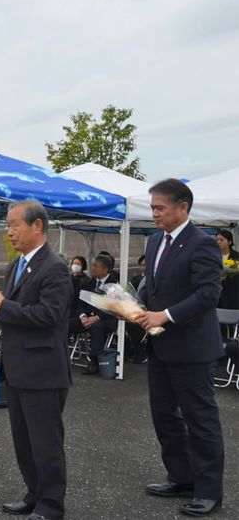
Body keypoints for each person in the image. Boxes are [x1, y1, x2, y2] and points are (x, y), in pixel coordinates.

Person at [0, 200, 72, 520]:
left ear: (37, 226)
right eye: (8, 225)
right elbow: (12, 312)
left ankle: (51, 504)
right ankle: (35, 493)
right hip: (17, 367)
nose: (9, 231)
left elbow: (49, 315)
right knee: (23, 440)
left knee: (46, 442)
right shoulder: (16, 265)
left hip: (43, 370)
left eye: (15, 225)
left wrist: (1, 307)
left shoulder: (54, 266)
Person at [135, 179, 224, 517]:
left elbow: (207, 295)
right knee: (165, 418)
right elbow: (154, 289)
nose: (154, 213)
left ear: (183, 207)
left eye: (160, 208)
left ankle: (208, 490)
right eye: (153, 207)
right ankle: (181, 477)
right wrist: (132, 305)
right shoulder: (155, 241)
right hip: (160, 347)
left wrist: (166, 315)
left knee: (200, 420)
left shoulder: (203, 244)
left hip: (192, 349)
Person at [71, 254, 119, 375]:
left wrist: (96, 318)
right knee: (67, 324)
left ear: (105, 269)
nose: (92, 268)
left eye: (96, 266)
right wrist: (83, 316)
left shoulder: (113, 284)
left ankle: (94, 362)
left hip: (106, 319)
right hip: (87, 318)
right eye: (92, 266)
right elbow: (80, 302)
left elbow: (113, 307)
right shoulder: (89, 282)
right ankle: (59, 354)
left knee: (97, 327)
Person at [214, 229, 239, 311]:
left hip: (231, 296)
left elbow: (227, 274)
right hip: (215, 295)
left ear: (229, 242)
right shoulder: (213, 255)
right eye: (217, 240)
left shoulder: (235, 256)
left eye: (222, 240)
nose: (218, 242)